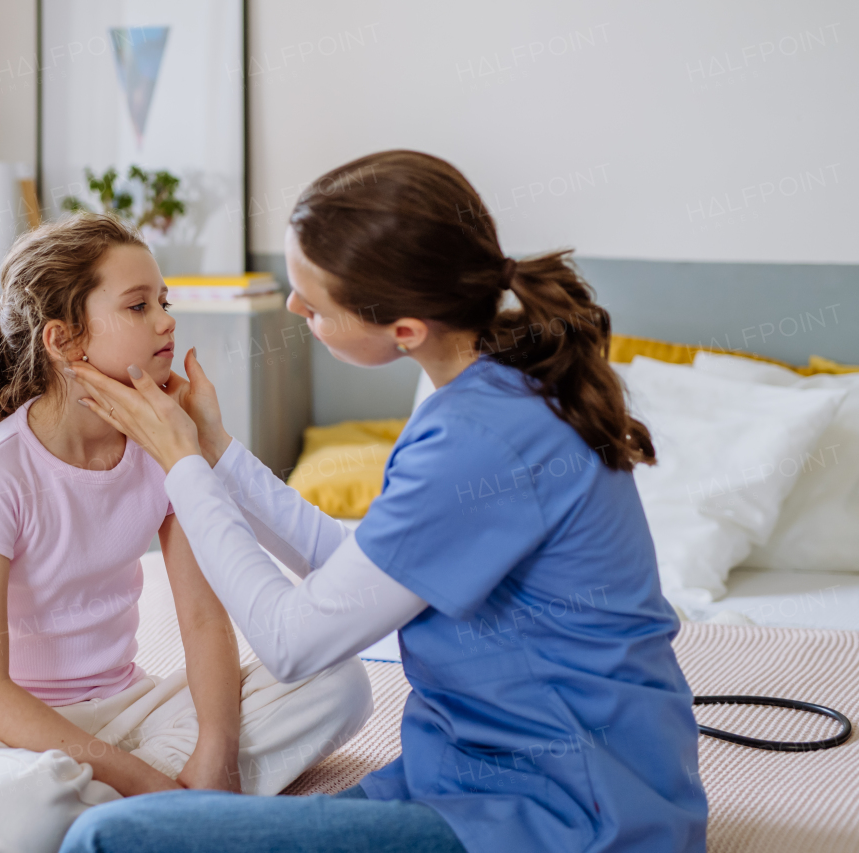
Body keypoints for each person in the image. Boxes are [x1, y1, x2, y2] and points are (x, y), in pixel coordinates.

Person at [59, 151, 709, 853]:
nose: (293, 306)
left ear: (404, 330)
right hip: (465, 779)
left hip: (564, 817)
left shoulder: (479, 437)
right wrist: (215, 451)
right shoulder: (485, 381)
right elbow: (364, 575)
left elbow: (292, 641)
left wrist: (179, 460)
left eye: (314, 303)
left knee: (107, 837)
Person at [0, 214, 373, 853]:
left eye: (164, 301)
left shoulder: (162, 444)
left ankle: (137, 820)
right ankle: (167, 814)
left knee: (338, 682)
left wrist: (217, 748)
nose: (165, 321)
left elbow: (205, 620)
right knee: (23, 812)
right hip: (4, 735)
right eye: (137, 305)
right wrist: (153, 782)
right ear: (65, 340)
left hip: (126, 709)